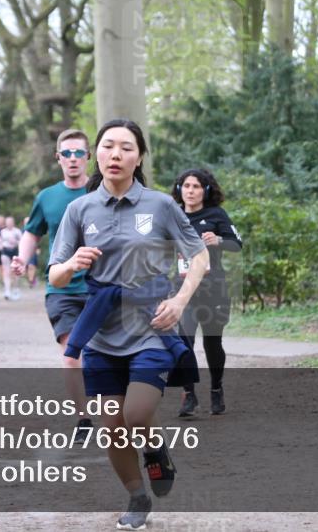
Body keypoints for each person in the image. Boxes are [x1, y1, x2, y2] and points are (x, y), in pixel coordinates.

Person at [48, 119, 209, 530]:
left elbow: (199, 257)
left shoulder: (160, 205)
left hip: (151, 324)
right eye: (107, 146)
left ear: (138, 158)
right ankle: (138, 497)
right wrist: (71, 264)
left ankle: (155, 448)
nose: (115, 154)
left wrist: (179, 299)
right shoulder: (79, 209)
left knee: (136, 416)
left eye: (126, 148)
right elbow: (55, 276)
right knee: (113, 427)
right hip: (102, 330)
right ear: (96, 154)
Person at [11, 129, 93, 440]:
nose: (73, 159)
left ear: (88, 157)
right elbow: (32, 233)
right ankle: (83, 419)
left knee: (105, 355)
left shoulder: (101, 192)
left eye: (79, 153)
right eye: (67, 154)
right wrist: (22, 258)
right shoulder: (46, 197)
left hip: (101, 286)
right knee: (72, 354)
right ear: (58, 158)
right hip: (62, 288)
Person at [171, 169, 242, 416]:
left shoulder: (216, 214)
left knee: (212, 343)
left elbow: (236, 244)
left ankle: (216, 388)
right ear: (180, 189)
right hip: (183, 290)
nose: (190, 191)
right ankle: (189, 395)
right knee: (184, 341)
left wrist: (218, 241)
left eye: (196, 186)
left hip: (213, 289)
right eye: (186, 186)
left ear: (206, 190)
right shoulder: (173, 214)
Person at [0, 216, 22, 300]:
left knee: (15, 271)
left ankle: (16, 289)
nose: (9, 223)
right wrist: (0, 246)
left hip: (15, 251)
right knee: (6, 271)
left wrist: (16, 242)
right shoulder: (2, 232)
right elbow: (1, 241)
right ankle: (7, 291)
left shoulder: (17, 231)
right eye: (7, 222)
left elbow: (22, 241)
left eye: (10, 222)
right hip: (5, 251)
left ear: (13, 223)